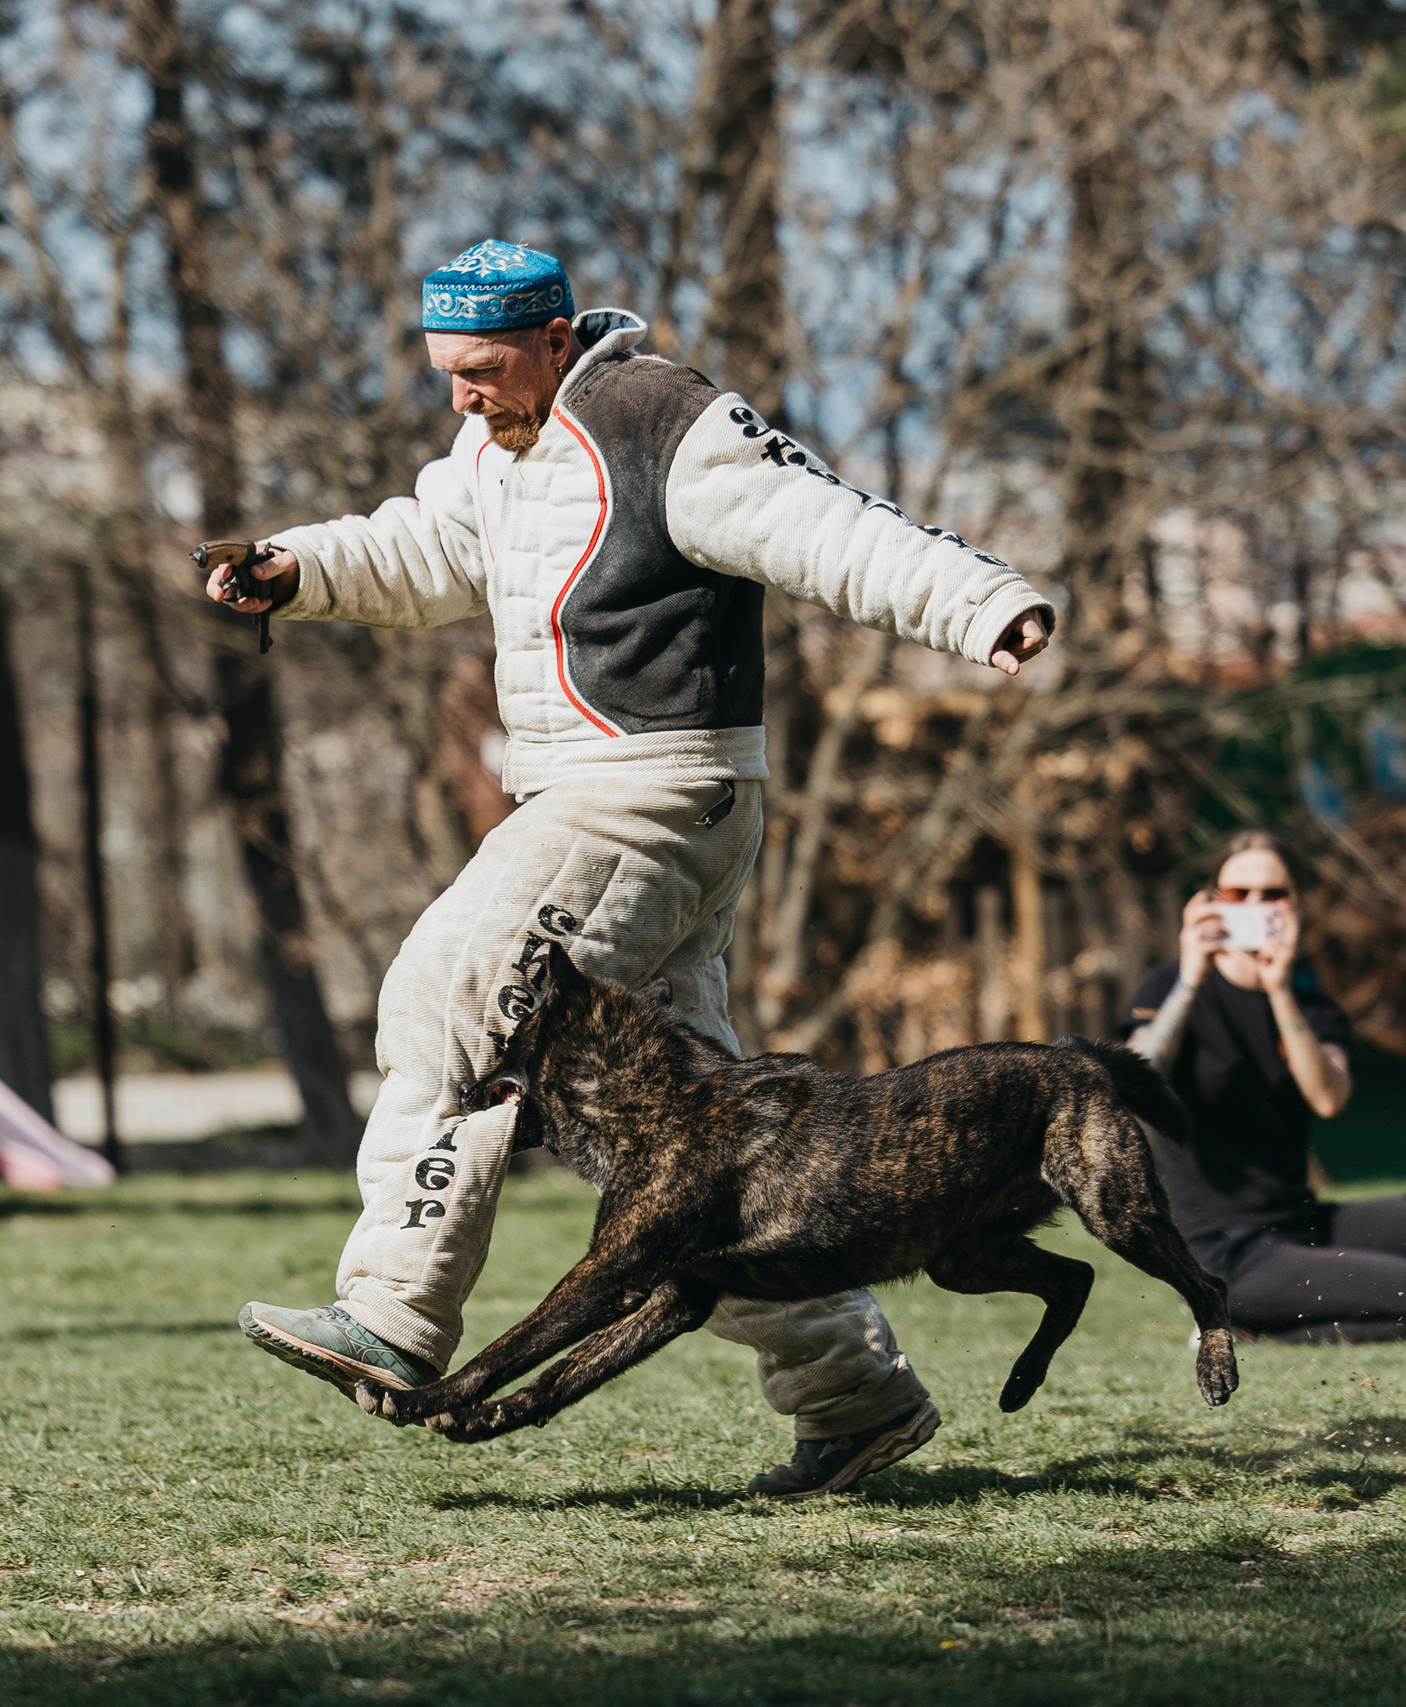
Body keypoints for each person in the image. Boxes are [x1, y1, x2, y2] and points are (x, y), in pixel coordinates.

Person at [212, 239, 1056, 1497]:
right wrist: (300, 569)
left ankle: (392, 1309)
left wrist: (982, 601)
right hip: (595, 795)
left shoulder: (667, 422)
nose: (461, 396)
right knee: (697, 1164)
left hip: (650, 793)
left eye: (483, 370)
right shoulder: (497, 448)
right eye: (444, 373)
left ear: (556, 337)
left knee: (454, 989)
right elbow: (433, 551)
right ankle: (853, 1400)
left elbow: (829, 529)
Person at [1121, 830, 1406, 1342]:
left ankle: (1295, 1295)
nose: (1255, 906)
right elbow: (1138, 1077)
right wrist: (1192, 978)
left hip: (1300, 1222)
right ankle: (1239, 1325)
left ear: (1298, 904)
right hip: (1222, 1250)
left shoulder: (1312, 1007)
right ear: (1213, 902)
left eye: (1273, 894)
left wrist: (1279, 989)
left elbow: (1327, 1097)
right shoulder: (1170, 986)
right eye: (1238, 894)